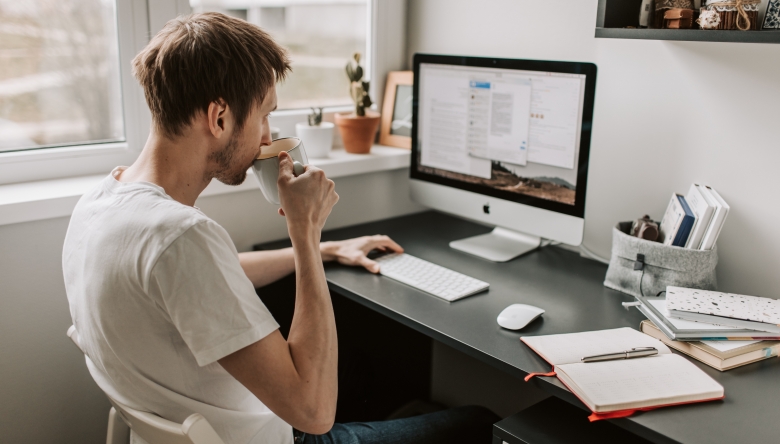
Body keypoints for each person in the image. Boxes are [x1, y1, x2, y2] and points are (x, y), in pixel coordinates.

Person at [62, 12, 498, 444]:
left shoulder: (101, 204)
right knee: (481, 421)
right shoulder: (183, 235)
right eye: (265, 116)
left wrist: (326, 250)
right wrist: (305, 235)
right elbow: (314, 412)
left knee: (362, 370)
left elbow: (200, 277)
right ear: (219, 118)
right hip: (283, 436)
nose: (267, 138)